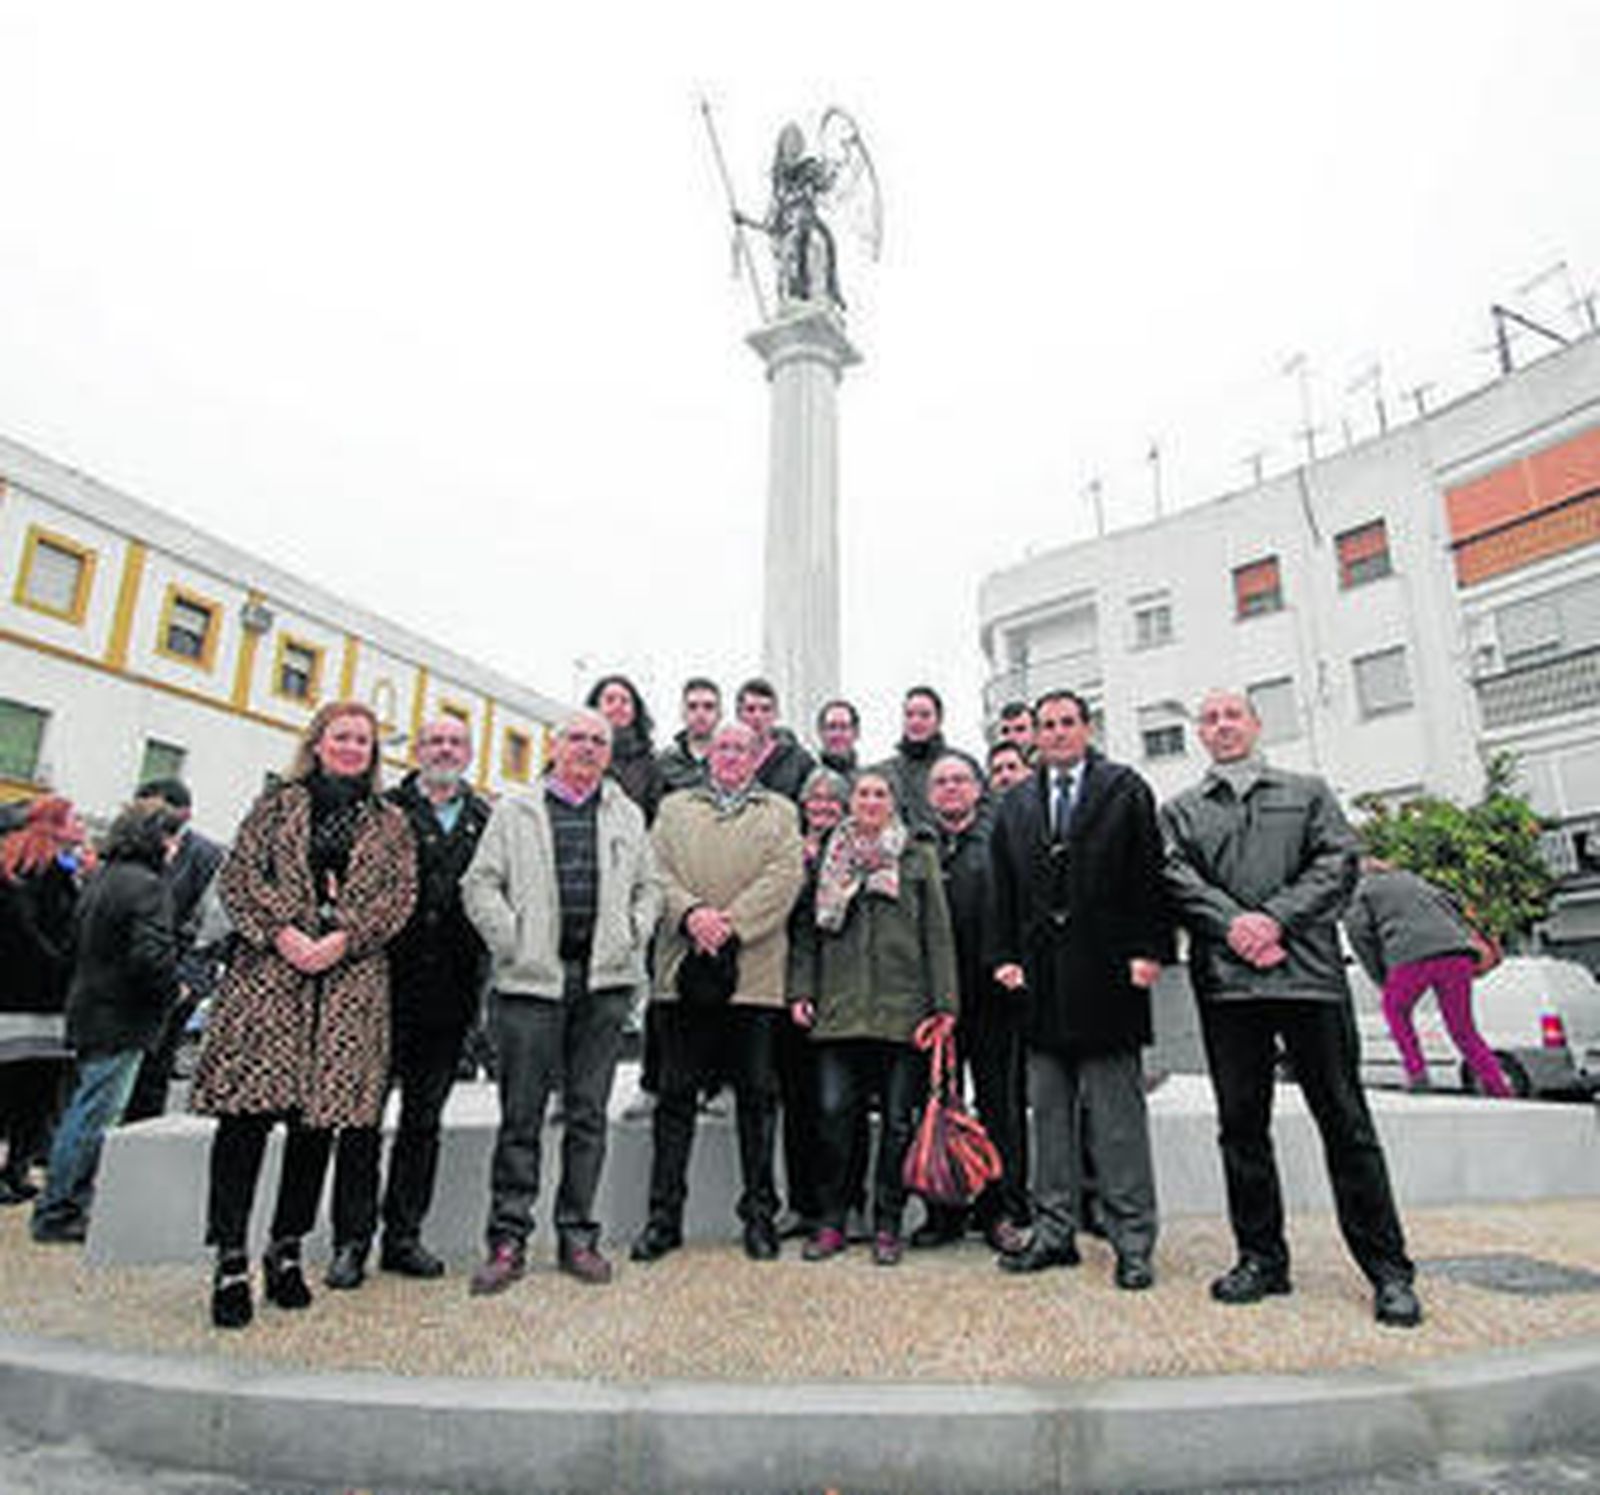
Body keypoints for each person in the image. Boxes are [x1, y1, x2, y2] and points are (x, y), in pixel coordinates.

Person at [1160, 689, 1423, 1328]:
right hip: (1227, 986)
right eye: (1211, 718)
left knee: (1347, 1123)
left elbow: (1339, 862)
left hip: (1309, 980)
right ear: (1201, 734)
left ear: (1255, 725)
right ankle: (1261, 1260)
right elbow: (1172, 877)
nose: (1222, 726)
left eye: (1232, 716)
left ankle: (1389, 1271)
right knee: (1241, 1128)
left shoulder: (1308, 792)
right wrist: (1236, 927)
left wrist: (1273, 921)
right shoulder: (1181, 811)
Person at [191, 701, 417, 1330]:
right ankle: (231, 1256)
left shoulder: (389, 821)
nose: (352, 748)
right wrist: (283, 933)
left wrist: (342, 937)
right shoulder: (276, 805)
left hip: (348, 986)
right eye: (341, 737)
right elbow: (238, 879)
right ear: (317, 743)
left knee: (318, 1127)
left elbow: (398, 896)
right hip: (270, 985)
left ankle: (285, 1249)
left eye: (363, 741)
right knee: (245, 1124)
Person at [459, 710, 659, 1293]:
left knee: (587, 1116)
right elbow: (479, 884)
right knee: (521, 1116)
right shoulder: (515, 809)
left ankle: (577, 1235)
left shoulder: (626, 813)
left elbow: (650, 888)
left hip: (602, 984)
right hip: (532, 984)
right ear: (555, 745)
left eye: (600, 742)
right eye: (578, 738)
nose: (589, 749)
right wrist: (513, 942)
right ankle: (507, 1238)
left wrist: (631, 929)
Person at [989, 691, 1170, 1290]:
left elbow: (1150, 874)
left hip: (1110, 975)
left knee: (1117, 1119)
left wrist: (1150, 951)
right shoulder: (1014, 803)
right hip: (1040, 981)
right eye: (1048, 725)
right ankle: (1054, 1231)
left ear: (1087, 728)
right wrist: (1003, 958)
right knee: (1049, 1116)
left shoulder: (1125, 788)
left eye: (1069, 723)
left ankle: (1133, 1240)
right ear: (1032, 736)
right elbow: (1002, 889)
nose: (1059, 733)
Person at [325, 716, 493, 1287]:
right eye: (434, 742)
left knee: (424, 1122)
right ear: (417, 752)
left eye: (455, 742)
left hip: (449, 996)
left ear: (468, 754)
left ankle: (404, 1235)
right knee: (361, 1121)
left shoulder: (486, 820)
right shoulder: (384, 810)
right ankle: (351, 1240)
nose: (444, 749)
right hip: (379, 987)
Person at [632, 722, 804, 1263]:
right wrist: (693, 915)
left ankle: (759, 1216)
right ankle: (664, 1219)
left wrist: (728, 923)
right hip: (682, 974)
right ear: (711, 755)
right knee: (675, 1098)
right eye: (723, 747)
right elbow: (653, 872)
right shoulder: (675, 808)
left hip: (752, 979)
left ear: (758, 757)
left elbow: (785, 878)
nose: (731, 756)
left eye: (742, 749)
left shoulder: (780, 812)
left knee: (756, 1098)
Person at [789, 771, 958, 1266]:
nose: (870, 800)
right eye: (862, 793)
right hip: (839, 1010)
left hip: (902, 1010)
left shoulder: (916, 855)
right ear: (850, 803)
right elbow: (806, 933)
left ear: (893, 802)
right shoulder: (828, 856)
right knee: (835, 1113)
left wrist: (946, 1004)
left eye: (879, 793)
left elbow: (939, 935)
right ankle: (834, 1218)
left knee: (898, 1123)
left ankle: (887, 1221)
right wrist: (801, 989)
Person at [31, 803, 182, 1243]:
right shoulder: (149, 887)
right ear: (154, 839)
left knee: (81, 1108)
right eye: (170, 837)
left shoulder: (103, 878)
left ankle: (61, 1201)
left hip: (89, 1006)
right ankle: (61, 1208)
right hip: (123, 1015)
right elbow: (150, 956)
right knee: (95, 1113)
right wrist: (173, 990)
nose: (174, 847)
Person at [914, 753, 1029, 1255]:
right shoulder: (917, 846)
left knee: (999, 1105)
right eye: (941, 782)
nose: (951, 789)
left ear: (979, 788)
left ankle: (1003, 1209)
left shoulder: (1003, 838)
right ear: (928, 793)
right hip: (933, 1000)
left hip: (992, 997)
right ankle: (945, 1211)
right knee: (939, 1105)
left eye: (960, 780)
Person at [1346, 858, 1512, 1097]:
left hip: (1412, 954)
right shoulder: (1414, 880)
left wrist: (1381, 978)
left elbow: (1358, 934)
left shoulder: (1361, 890)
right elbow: (1453, 904)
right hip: (1457, 953)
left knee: (1395, 1010)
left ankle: (1417, 1074)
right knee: (1463, 1027)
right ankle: (1497, 1085)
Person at [775, 765, 851, 1237]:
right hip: (791, 987)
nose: (822, 807)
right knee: (798, 1104)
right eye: (814, 799)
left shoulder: (856, 851)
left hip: (842, 989)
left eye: (831, 800)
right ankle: (802, 1204)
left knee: (838, 1105)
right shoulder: (787, 849)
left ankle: (840, 1204)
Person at [123, 779, 225, 1122]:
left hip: (178, 977)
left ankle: (137, 1137)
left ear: (183, 813)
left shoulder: (207, 855)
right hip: (131, 973)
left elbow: (209, 924)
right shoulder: (132, 845)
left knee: (154, 1066)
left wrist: (188, 980)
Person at [0, 796, 87, 1204]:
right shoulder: (34, 868)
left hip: (33, 999)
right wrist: (63, 966)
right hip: (35, 997)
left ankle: (15, 1171)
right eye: (72, 819)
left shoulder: (48, 868)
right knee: (29, 1093)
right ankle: (13, 1170)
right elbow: (30, 933)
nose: (80, 824)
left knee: (27, 1093)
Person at [874, 686, 983, 833]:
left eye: (924, 715)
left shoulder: (964, 764)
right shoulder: (886, 773)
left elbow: (985, 814)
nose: (916, 721)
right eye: (909, 715)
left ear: (938, 720)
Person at [586, 673, 666, 825]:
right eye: (610, 700)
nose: (618, 706)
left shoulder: (650, 765)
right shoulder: (573, 750)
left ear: (635, 711)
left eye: (625, 701)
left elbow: (653, 818)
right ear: (596, 707)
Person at [735, 678, 816, 805]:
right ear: (739, 714)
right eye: (750, 709)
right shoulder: (725, 758)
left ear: (776, 714)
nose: (758, 716)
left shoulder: (798, 760)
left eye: (765, 709)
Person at [657, 677, 722, 794]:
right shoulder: (664, 763)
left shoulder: (732, 760)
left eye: (708, 706)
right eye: (693, 706)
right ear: (683, 713)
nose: (700, 714)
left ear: (719, 713)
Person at [815, 698, 862, 780]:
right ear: (821, 732)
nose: (837, 734)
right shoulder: (807, 780)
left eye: (844, 727)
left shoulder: (865, 785)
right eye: (832, 727)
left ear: (856, 733)